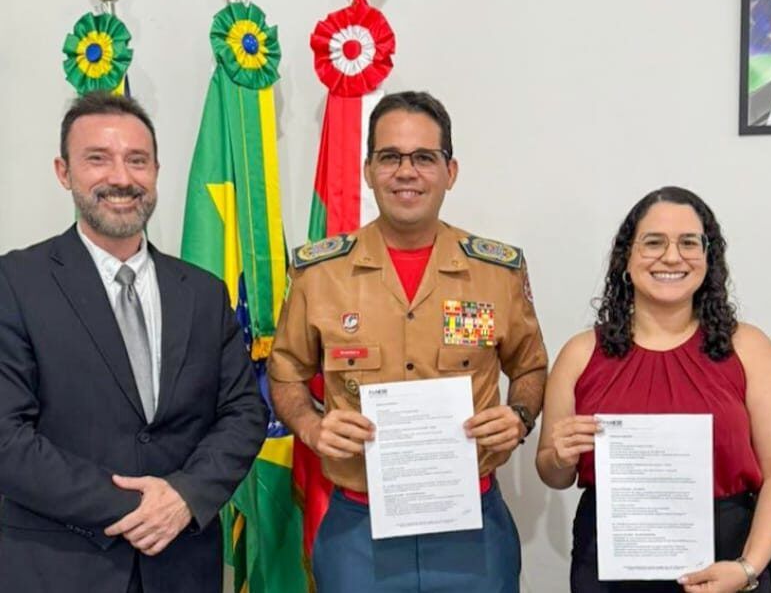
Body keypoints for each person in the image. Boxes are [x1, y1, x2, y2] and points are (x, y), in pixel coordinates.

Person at [268, 90, 547, 592]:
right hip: (358, 529)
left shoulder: (496, 272)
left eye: (423, 157)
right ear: (368, 170)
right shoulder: (320, 273)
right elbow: (285, 371)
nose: (406, 172)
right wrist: (310, 426)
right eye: (390, 157)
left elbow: (530, 367)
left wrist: (520, 416)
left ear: (450, 171)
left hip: (472, 527)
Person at [0, 92, 268, 593]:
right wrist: (140, 508)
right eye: (98, 159)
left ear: (156, 171)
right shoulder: (15, 282)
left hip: (183, 567)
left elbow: (244, 412)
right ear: (64, 172)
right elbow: (7, 440)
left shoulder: (204, 292)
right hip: (59, 568)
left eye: (137, 160)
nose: (121, 177)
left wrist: (185, 496)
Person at [536, 186, 771, 593]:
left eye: (689, 243)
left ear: (708, 257)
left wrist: (748, 567)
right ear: (626, 258)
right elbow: (553, 475)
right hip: (609, 562)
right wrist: (559, 456)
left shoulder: (749, 348)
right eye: (654, 242)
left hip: (725, 561)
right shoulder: (580, 353)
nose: (672, 257)